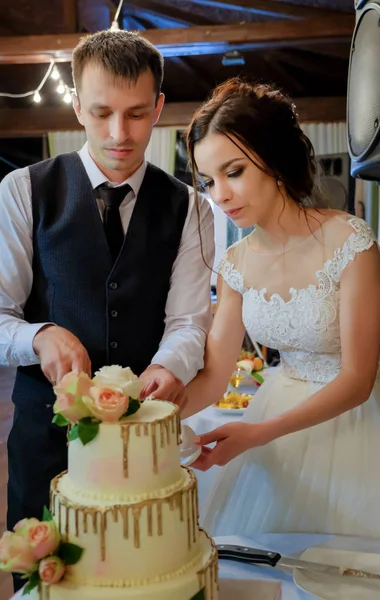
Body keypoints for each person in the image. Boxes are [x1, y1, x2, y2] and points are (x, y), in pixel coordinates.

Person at [0, 30, 214, 589]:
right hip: (44, 445)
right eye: (101, 113)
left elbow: (190, 321)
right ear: (75, 106)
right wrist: (39, 335)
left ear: (160, 107)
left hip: (143, 453)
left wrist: (169, 367)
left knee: (142, 583)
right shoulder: (22, 190)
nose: (119, 134)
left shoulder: (191, 207)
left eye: (137, 114)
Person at [181, 77, 380, 540]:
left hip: (358, 428)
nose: (219, 195)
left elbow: (358, 381)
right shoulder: (236, 263)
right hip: (273, 420)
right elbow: (216, 377)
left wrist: (257, 434)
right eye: (208, 181)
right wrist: (148, 412)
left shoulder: (350, 241)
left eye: (233, 171)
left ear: (274, 159)